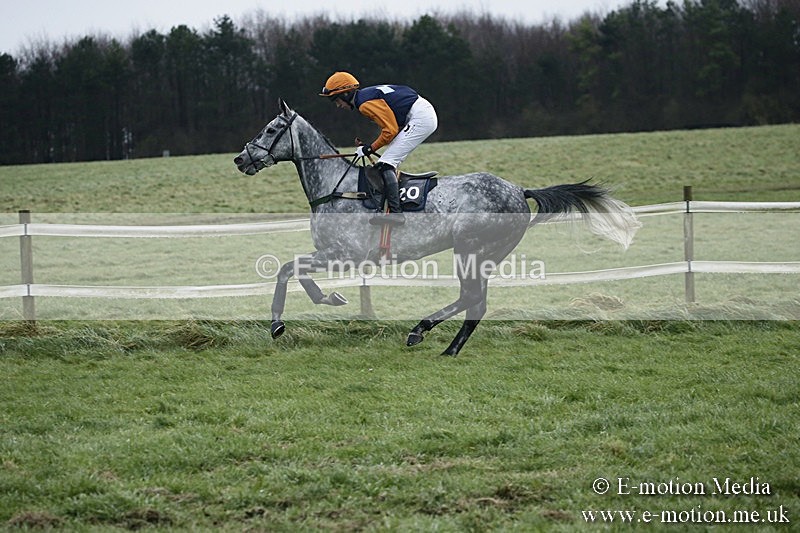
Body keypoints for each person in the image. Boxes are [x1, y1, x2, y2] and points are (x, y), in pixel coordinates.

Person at [319, 71, 438, 226]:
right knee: (386, 161)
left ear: (347, 94)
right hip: (419, 112)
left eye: (336, 99)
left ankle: (396, 214)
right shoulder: (366, 96)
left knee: (386, 163)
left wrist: (370, 148)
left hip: (420, 117)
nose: (337, 105)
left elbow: (390, 130)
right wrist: (369, 146)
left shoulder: (364, 104)